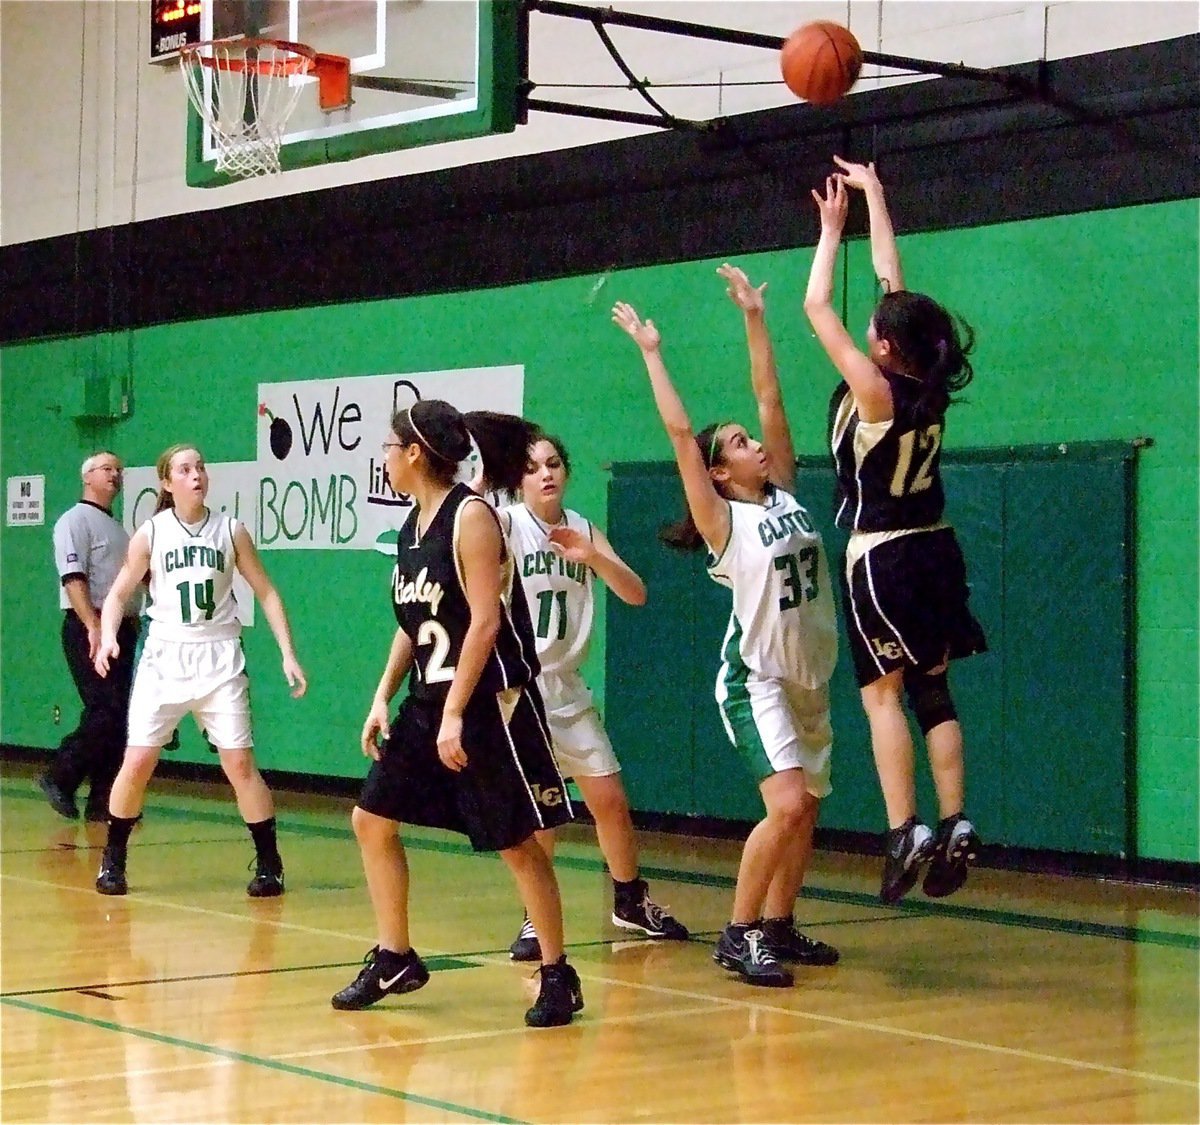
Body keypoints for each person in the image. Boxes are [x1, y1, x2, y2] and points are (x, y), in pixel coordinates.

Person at [612, 264, 840, 988]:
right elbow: (681, 431)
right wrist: (652, 352)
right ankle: (738, 934)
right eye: (740, 443)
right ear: (717, 471)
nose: (756, 445)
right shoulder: (725, 521)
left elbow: (769, 394)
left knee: (806, 812)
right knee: (787, 802)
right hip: (757, 678)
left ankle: (778, 924)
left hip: (810, 677)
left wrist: (753, 316)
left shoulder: (786, 494)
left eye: (752, 439)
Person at [330, 401, 584, 1028]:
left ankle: (558, 974)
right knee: (371, 820)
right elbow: (415, 624)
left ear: (414, 453)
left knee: (518, 846)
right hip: (429, 701)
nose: (383, 459)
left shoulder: (471, 517)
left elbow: (484, 621)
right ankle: (395, 957)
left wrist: (453, 712)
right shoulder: (410, 527)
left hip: (485, 706)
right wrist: (380, 696)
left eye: (389, 447)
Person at [804, 156, 988, 904]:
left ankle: (902, 825)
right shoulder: (932, 380)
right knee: (934, 688)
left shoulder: (873, 390)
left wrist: (829, 230)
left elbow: (817, 306)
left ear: (882, 347)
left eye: (877, 328)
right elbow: (892, 278)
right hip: (937, 544)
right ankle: (956, 820)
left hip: (882, 555)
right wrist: (878, 192)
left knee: (882, 696)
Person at [494, 433, 689, 963]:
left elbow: (636, 592)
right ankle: (537, 918)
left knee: (609, 799)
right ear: (519, 480)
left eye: (554, 464)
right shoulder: (506, 526)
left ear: (567, 470)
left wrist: (594, 559)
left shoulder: (581, 527)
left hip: (569, 687)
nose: (546, 474)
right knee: (544, 815)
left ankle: (629, 900)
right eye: (533, 468)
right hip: (522, 690)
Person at [92, 444, 307, 898]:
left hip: (220, 656)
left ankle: (269, 862)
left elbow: (267, 593)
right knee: (137, 762)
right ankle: (113, 858)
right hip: (165, 657)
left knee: (240, 764)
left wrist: (288, 653)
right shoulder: (151, 533)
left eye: (201, 467)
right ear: (167, 483)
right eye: (185, 470)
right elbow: (116, 595)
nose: (197, 475)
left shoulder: (230, 531)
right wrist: (109, 635)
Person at [41, 451, 142, 823]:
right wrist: (93, 627)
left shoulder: (117, 529)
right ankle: (60, 775)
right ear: (87, 477)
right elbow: (73, 578)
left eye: (119, 470)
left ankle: (104, 800)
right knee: (105, 709)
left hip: (121, 629)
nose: (115, 475)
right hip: (90, 625)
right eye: (106, 469)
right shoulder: (75, 521)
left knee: (120, 716)